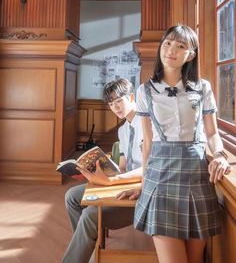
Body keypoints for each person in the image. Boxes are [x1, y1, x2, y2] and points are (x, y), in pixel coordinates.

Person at [120, 25, 231, 263]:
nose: (171, 50)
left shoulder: (203, 88)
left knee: (194, 260)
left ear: (190, 54)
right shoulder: (145, 91)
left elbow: (211, 132)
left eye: (181, 46)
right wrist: (144, 184)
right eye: (168, 43)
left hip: (196, 177)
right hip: (160, 180)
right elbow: (147, 143)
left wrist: (220, 154)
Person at [61, 78, 143, 263]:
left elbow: (149, 168)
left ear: (131, 97)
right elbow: (122, 167)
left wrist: (113, 181)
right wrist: (94, 172)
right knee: (72, 197)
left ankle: (75, 258)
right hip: (121, 183)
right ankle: (86, 250)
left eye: (119, 101)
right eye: (111, 104)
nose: (116, 107)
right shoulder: (123, 130)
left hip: (139, 191)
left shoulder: (146, 124)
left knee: (91, 214)